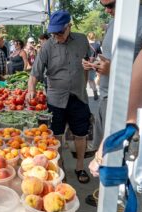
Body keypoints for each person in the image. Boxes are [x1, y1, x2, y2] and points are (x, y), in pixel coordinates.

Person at [83, 1, 142, 212]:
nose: (106, 9)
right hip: (107, 99)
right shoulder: (113, 23)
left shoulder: (140, 20)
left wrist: (113, 70)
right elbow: (109, 56)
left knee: (123, 169)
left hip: (127, 106)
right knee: (104, 163)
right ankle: (108, 204)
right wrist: (95, 64)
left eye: (110, 4)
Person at [27, 10, 91, 183]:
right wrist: (31, 89)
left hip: (78, 96)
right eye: (53, 33)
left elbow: (88, 63)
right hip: (55, 99)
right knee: (56, 135)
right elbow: (35, 72)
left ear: (69, 26)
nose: (57, 36)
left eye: (60, 32)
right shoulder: (47, 46)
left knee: (81, 133)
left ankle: (80, 167)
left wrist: (84, 84)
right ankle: (59, 166)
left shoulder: (82, 40)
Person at [87, 32, 102, 101]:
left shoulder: (85, 45)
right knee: (91, 80)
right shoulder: (97, 45)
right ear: (94, 37)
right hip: (93, 64)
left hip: (85, 63)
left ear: (88, 37)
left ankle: (82, 94)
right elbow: (100, 55)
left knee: (83, 80)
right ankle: (95, 91)